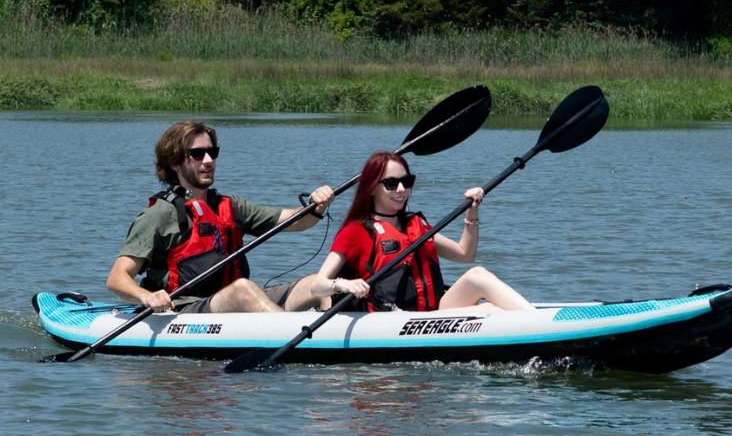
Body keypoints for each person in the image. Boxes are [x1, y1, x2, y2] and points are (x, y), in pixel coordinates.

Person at [107, 120, 334, 314]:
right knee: (243, 289)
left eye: (212, 152)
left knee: (320, 284)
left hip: (234, 304)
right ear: (175, 163)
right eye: (197, 154)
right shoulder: (158, 215)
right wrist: (147, 297)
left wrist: (316, 206)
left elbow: (298, 221)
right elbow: (117, 278)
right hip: (184, 311)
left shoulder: (231, 206)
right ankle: (290, 334)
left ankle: (332, 342)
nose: (208, 160)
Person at [310, 151, 531, 312]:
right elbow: (317, 286)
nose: (401, 190)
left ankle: (535, 321)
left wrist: (472, 211)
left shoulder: (415, 225)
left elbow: (465, 254)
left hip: (433, 314)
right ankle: (536, 323)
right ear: (372, 188)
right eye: (391, 183)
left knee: (478, 277)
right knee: (488, 302)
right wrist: (344, 284)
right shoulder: (356, 231)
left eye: (407, 182)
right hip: (389, 319)